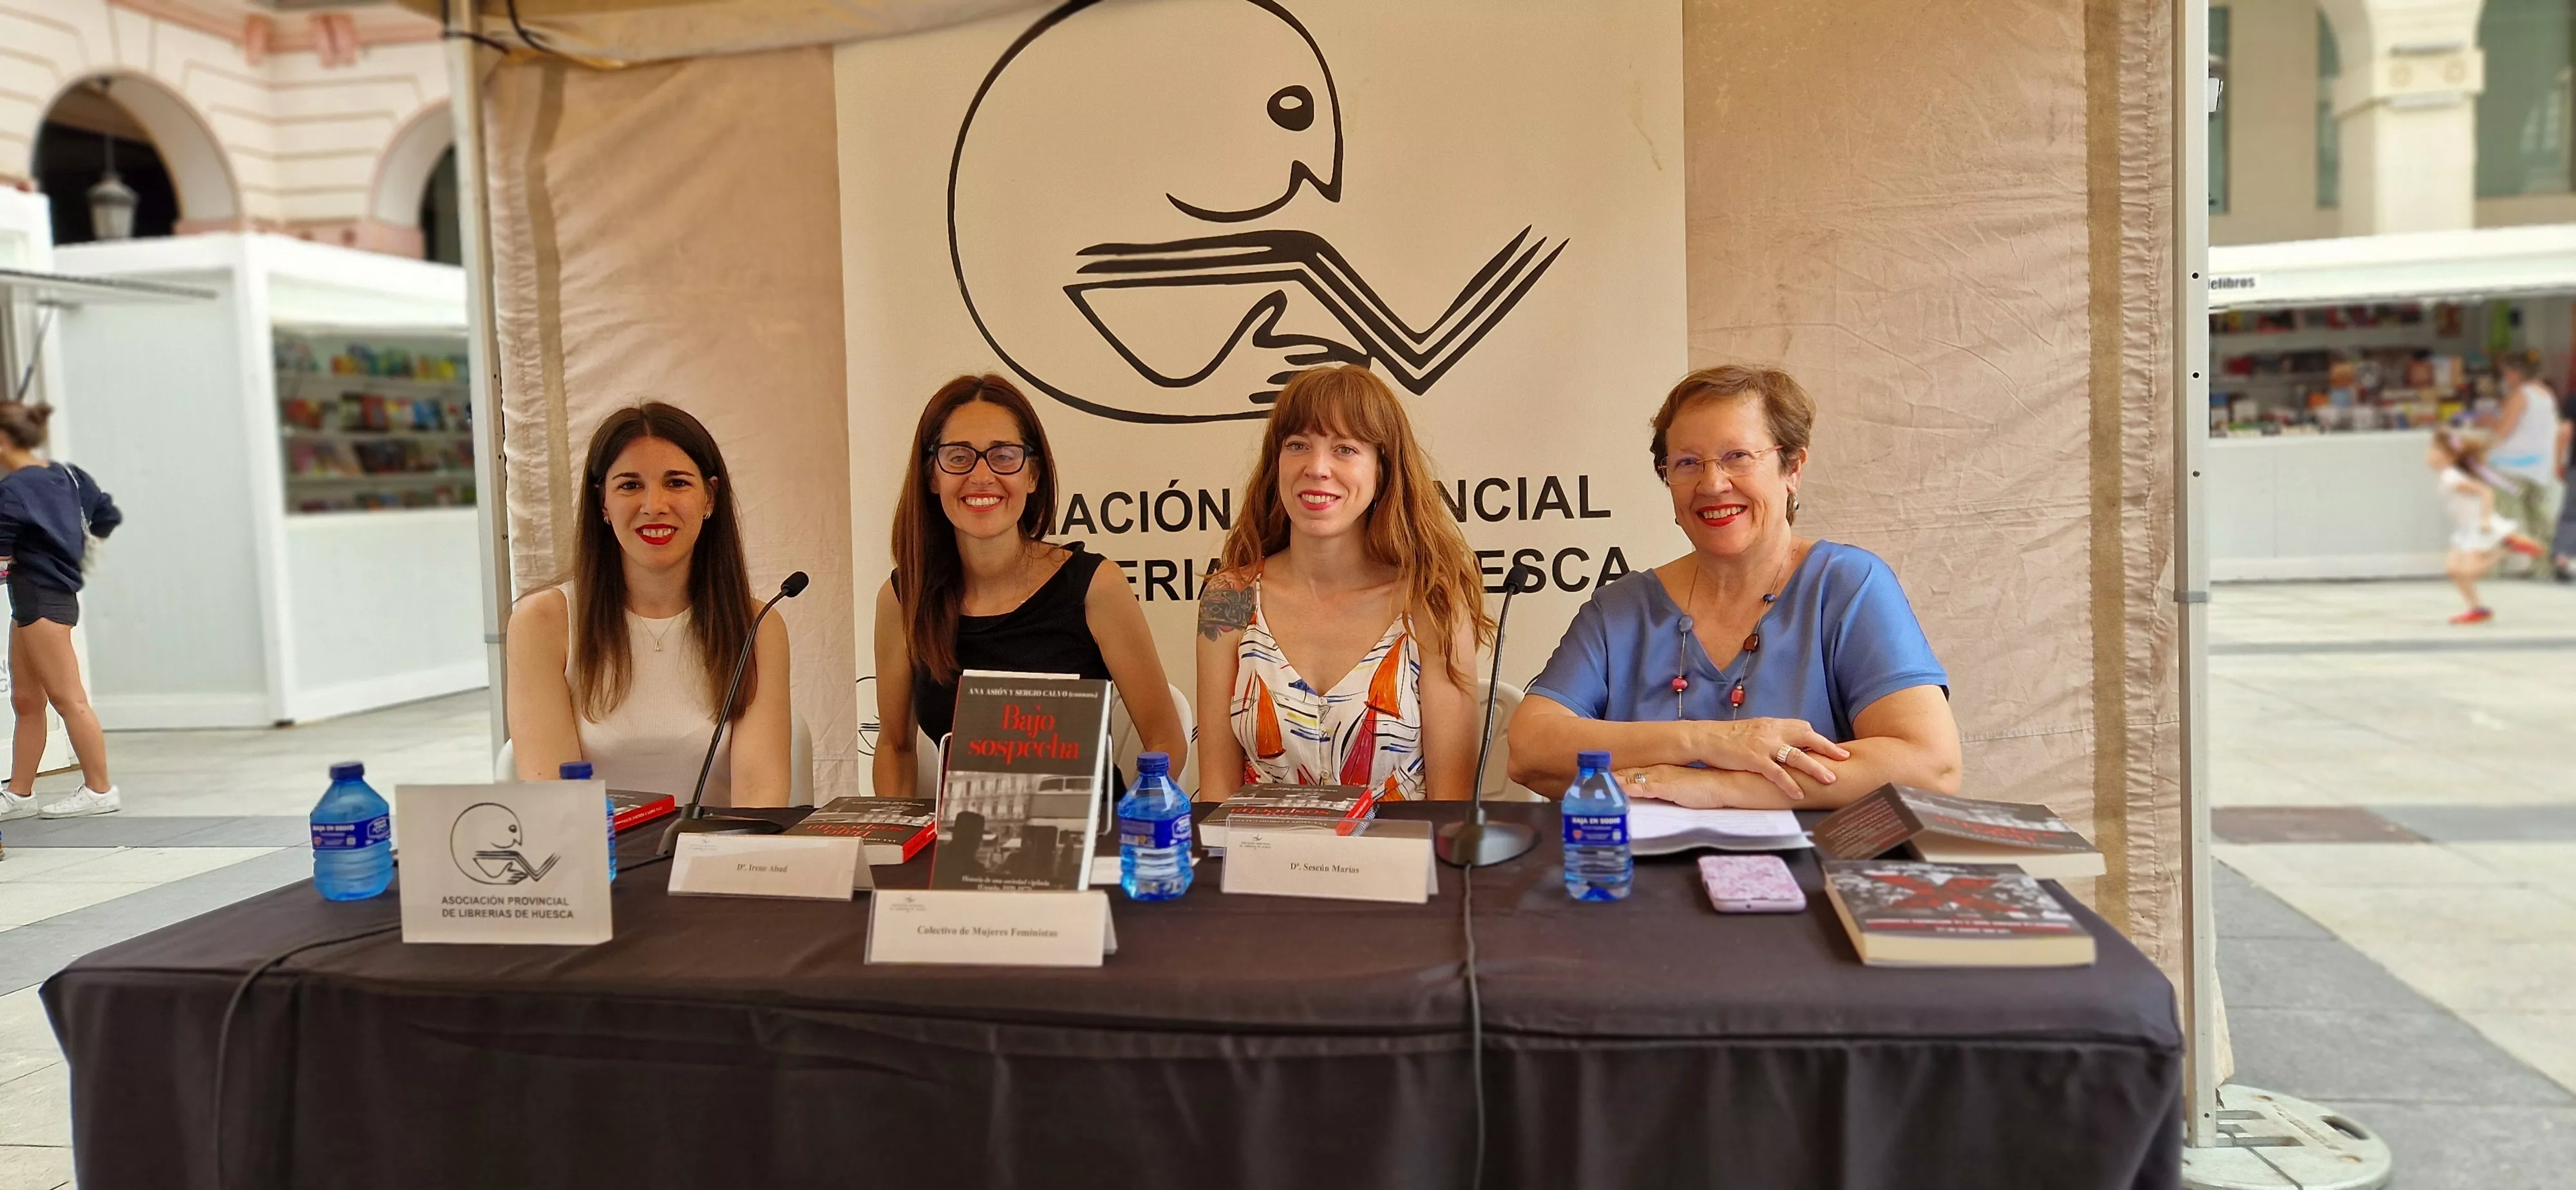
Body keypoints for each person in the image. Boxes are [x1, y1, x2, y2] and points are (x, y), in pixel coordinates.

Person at [1508, 364, 1960, 808]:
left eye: (1737, 457)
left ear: (1793, 469)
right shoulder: (1620, 608)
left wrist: (1713, 788)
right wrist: (1708, 741)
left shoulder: (1847, 584)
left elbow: (1929, 765)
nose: (1712, 483)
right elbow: (1530, 752)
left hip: (1807, 876)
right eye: (1687, 463)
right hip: (1631, 877)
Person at [872, 375, 1184, 796]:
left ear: (1033, 475)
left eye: (1003, 456)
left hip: (1089, 847)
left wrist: (1129, 835)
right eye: (959, 457)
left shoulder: (1095, 586)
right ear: (932, 477)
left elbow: (1166, 742)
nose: (982, 476)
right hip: (961, 848)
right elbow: (895, 747)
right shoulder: (901, 600)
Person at [1195, 366, 1492, 802]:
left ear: (1382, 472)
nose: (1317, 468)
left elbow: (1451, 807)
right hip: (1260, 864)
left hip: (1397, 866)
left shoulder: (1432, 603)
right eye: (1298, 445)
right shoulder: (1228, 597)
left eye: (1345, 450)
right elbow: (1216, 798)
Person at [506, 402, 793, 805]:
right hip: (597, 862)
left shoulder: (758, 625)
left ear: (710, 498)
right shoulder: (542, 622)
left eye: (676, 483)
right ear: (602, 503)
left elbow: (761, 797)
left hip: (718, 861)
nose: (654, 505)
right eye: (630, 485)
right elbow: (555, 804)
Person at [0, 404, 123, 821]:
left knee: (69, 699)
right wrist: (72, 552)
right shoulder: (71, 476)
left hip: (39, 597)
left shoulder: (12, 491)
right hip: (44, 598)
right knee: (26, 699)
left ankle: (99, 789)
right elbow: (107, 515)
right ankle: (19, 794)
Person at [2430, 426, 2547, 625]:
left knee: (2469, 571)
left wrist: (2485, 520)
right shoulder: (2448, 475)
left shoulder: (2452, 476)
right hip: (2466, 529)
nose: (2429, 456)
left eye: (2434, 451)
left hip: (2479, 526)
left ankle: (2505, 548)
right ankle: (2478, 608)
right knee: (2453, 569)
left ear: (2448, 456)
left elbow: (2486, 492)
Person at [2484, 356, 2563, 580]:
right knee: (2538, 518)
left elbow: (2505, 430)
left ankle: (2494, 567)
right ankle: (2545, 567)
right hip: (2538, 467)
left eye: (2508, 373)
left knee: (2503, 518)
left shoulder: (2521, 394)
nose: (2506, 379)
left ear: (2518, 374)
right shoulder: (2547, 394)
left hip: (2510, 466)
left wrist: (2486, 429)